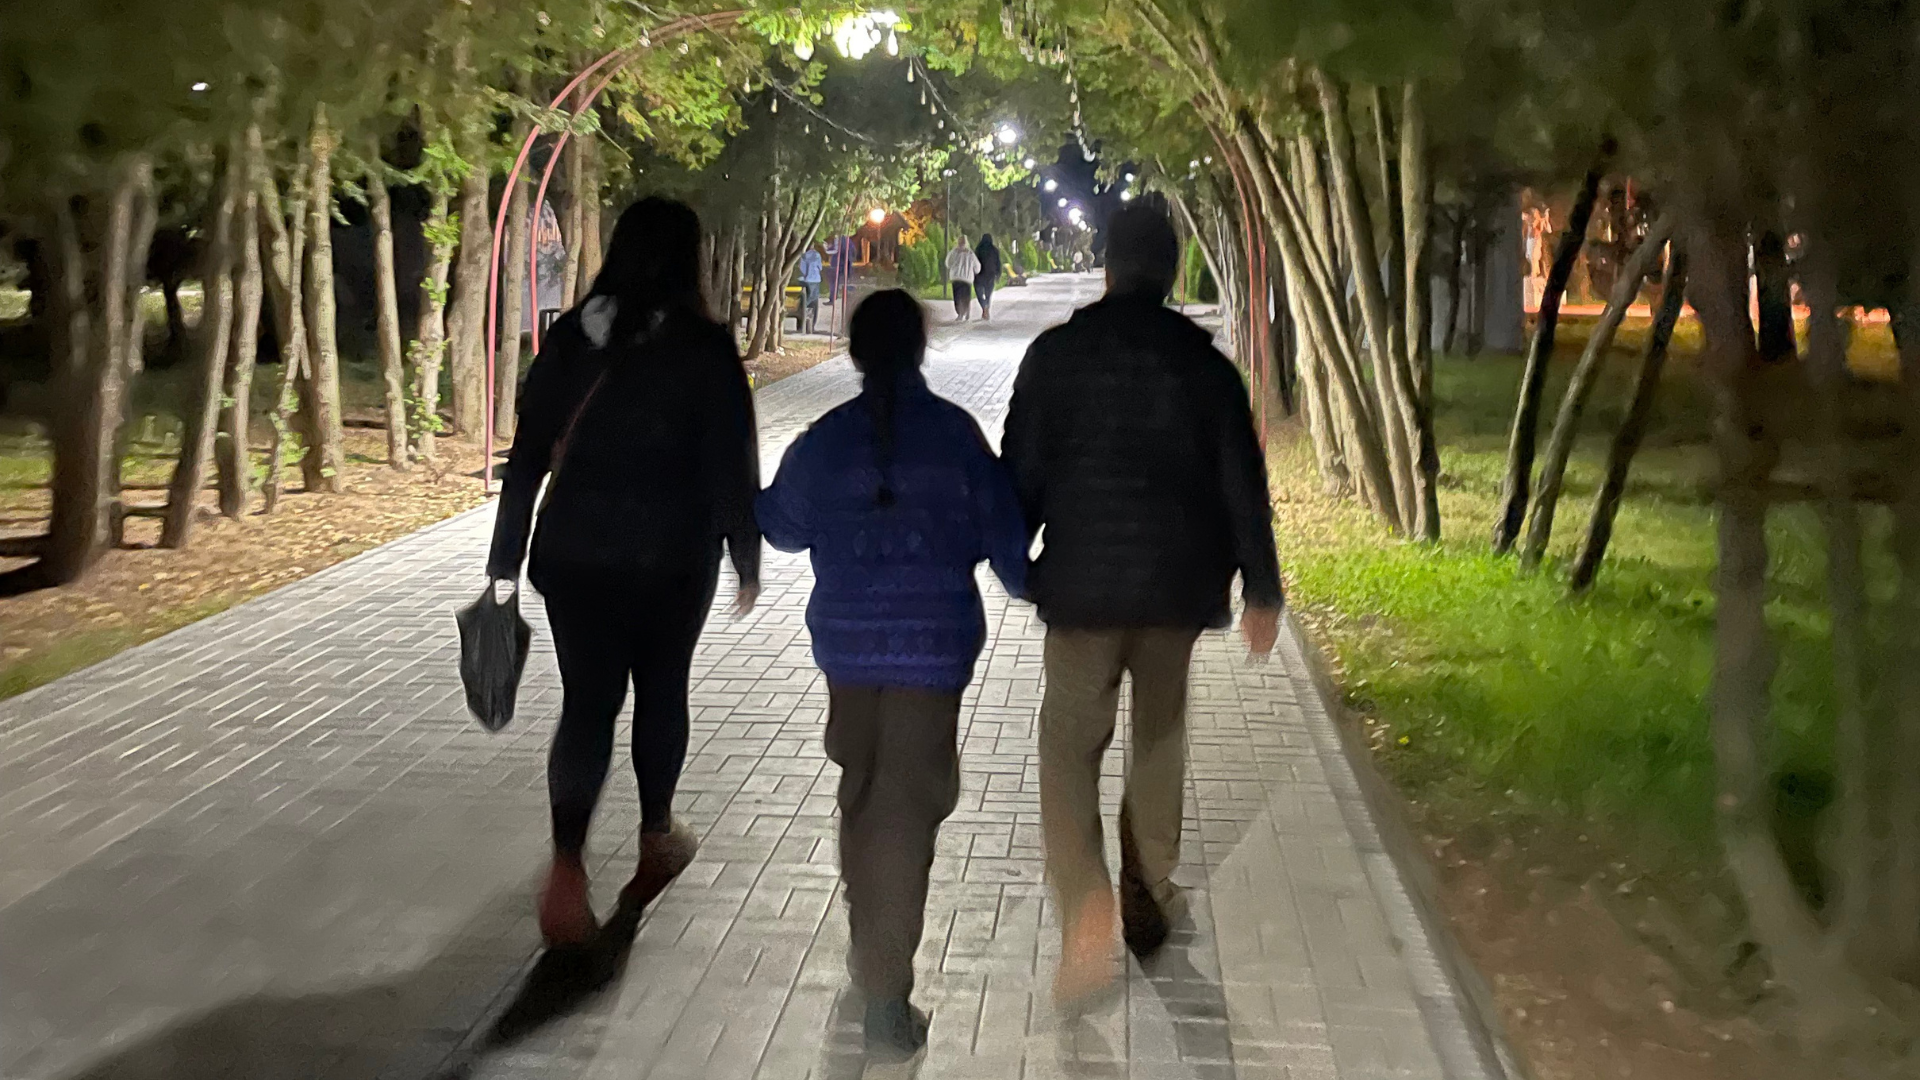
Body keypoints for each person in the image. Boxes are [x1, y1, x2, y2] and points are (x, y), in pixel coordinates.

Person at [1001, 201, 1284, 1004]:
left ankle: (1086, 908)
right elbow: (1242, 481)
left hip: (1081, 588)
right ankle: (1150, 887)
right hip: (1176, 590)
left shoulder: (1056, 356)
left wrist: (1013, 558)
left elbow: (1020, 467)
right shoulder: (1205, 366)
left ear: (1108, 265)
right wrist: (1261, 588)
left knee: (1067, 748)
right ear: (1170, 270)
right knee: (1159, 736)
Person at [756, 289, 1028, 1055]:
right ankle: (885, 992)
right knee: (907, 812)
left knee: (864, 796)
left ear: (854, 353)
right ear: (919, 349)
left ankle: (868, 948)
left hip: (847, 651)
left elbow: (782, 526)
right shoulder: (954, 436)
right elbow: (1004, 538)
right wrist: (1036, 583)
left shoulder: (827, 440)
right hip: (931, 652)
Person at [487, 197, 762, 948]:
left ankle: (566, 866)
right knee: (662, 690)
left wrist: (504, 562)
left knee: (587, 703)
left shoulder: (573, 335)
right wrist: (745, 552)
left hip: (574, 554)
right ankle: (655, 834)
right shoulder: (704, 346)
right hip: (673, 556)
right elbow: (731, 459)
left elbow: (527, 457)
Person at [946, 235, 982, 322]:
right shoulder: (971, 254)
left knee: (957, 297)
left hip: (956, 278)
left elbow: (948, 263)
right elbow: (977, 267)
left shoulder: (954, 252)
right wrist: (975, 271)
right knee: (966, 296)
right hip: (967, 279)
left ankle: (960, 313)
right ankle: (966, 311)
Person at [973, 234, 1003, 321]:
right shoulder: (995, 250)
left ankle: (984, 307)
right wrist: (998, 274)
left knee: (979, 293)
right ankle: (986, 308)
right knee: (988, 294)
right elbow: (998, 263)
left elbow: (974, 262)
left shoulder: (978, 249)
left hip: (979, 275)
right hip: (990, 275)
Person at [798, 243, 825, 333]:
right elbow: (820, 267)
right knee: (814, 301)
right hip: (815, 280)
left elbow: (801, 268)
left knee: (804, 300)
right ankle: (811, 324)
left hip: (805, 280)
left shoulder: (803, 255)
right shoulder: (817, 255)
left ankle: (801, 323)